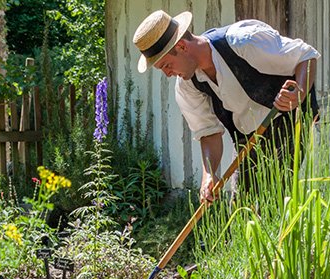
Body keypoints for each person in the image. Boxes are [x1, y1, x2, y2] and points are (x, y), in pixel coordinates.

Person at [133, 10, 320, 203]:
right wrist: (209, 174)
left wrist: (299, 93)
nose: (168, 74)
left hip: (287, 121)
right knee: (239, 210)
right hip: (246, 135)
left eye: (166, 65)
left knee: (275, 202)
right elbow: (208, 133)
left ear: (181, 46)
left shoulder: (243, 41)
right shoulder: (187, 85)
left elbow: (305, 56)